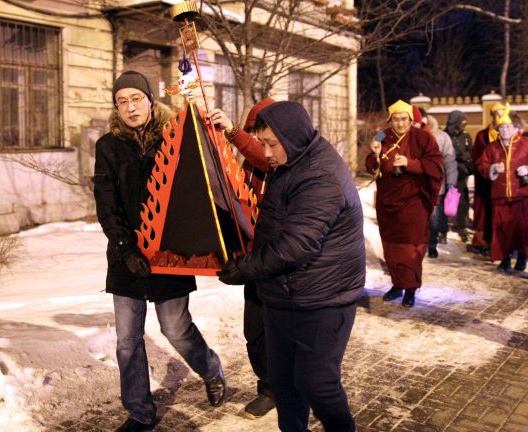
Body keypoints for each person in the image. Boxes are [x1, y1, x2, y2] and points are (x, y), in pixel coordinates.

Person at [217, 101, 365, 432]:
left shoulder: (321, 176)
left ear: (293, 137)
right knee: (284, 383)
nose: (265, 152)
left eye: (271, 144)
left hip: (325, 298)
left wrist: (246, 269)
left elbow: (296, 245)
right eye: (263, 142)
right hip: (284, 292)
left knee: (318, 385)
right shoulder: (290, 161)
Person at [93, 70, 226, 432]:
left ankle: (211, 368)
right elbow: (107, 204)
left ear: (151, 100)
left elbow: (203, 179)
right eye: (122, 101)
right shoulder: (107, 146)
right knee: (127, 342)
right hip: (126, 258)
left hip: (169, 252)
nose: (130, 107)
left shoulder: (175, 135)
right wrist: (124, 248)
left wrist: (213, 128)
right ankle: (140, 411)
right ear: (116, 108)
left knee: (175, 330)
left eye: (137, 98)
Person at [205, 99, 277, 419]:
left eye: (266, 134)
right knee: (255, 328)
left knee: (279, 326)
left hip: (280, 257)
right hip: (253, 256)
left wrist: (233, 131)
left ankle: (277, 389)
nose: (260, 140)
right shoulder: (246, 159)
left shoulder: (279, 157)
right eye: (254, 131)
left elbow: (264, 159)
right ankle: (269, 383)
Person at [366, 100, 443, 308]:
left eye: (404, 119)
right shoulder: (383, 136)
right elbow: (372, 165)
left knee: (410, 248)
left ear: (411, 120)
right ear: (390, 121)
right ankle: (397, 284)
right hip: (387, 200)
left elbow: (436, 166)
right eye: (396, 120)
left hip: (413, 202)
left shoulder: (423, 138)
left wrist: (411, 163)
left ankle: (411, 288)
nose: (400, 124)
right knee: (391, 246)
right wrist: (374, 154)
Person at [475, 104, 528, 272]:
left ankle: (522, 256)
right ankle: (505, 257)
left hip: (524, 194)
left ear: (516, 128)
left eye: (509, 127)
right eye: (502, 127)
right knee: (501, 227)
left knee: (522, 227)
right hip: (500, 194)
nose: (505, 130)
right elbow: (481, 165)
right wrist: (493, 168)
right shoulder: (492, 147)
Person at [471, 102, 506, 254]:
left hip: (503, 182)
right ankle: (482, 241)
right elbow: (477, 158)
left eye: (501, 113)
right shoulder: (482, 135)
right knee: (484, 211)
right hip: (485, 180)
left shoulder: (511, 135)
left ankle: (501, 242)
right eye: (496, 113)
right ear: (492, 115)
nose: (499, 116)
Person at [427, 115, 458, 257]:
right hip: (414, 186)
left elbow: (449, 160)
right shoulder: (408, 135)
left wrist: (451, 181)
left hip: (435, 184)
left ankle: (432, 244)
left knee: (434, 217)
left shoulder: (441, 136)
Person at [445, 110, 474, 243]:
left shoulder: (466, 136)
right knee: (446, 198)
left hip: (462, 172)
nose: (464, 125)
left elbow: (471, 151)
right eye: (462, 122)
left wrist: (467, 159)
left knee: (463, 199)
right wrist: (458, 155)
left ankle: (462, 224)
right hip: (448, 171)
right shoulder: (445, 135)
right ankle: (443, 225)